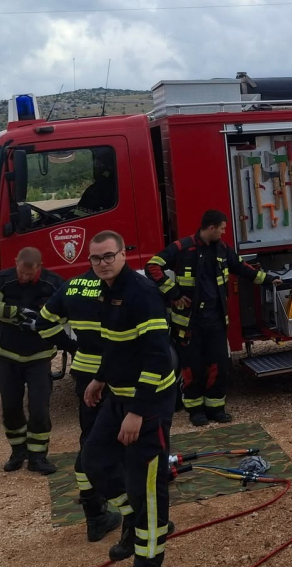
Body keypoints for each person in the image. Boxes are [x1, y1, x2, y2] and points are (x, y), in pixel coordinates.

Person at [81, 231, 178, 566]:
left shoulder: (142, 293)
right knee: (93, 460)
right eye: (96, 258)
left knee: (148, 489)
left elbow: (157, 357)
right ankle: (133, 522)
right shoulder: (106, 292)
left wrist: (138, 412)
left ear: (124, 254)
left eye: (109, 256)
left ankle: (148, 556)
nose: (102, 263)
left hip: (147, 405)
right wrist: (100, 378)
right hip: (117, 399)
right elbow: (116, 344)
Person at [146, 210, 276, 425]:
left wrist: (269, 280)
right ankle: (195, 411)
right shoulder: (182, 248)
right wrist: (173, 293)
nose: (224, 233)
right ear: (211, 227)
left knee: (219, 366)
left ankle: (216, 409)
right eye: (222, 228)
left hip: (215, 320)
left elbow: (242, 268)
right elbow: (152, 266)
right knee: (192, 368)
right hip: (189, 323)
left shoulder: (222, 249)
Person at [39, 267, 123, 542]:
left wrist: (71, 346)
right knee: (121, 440)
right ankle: (130, 509)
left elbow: (44, 322)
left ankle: (95, 515)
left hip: (85, 372)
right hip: (116, 375)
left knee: (89, 440)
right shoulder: (119, 287)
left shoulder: (72, 286)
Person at [0, 247, 70, 475]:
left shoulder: (53, 283)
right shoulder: (3, 279)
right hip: (8, 357)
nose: (23, 278)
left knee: (39, 408)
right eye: (21, 272)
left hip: (38, 358)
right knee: (11, 407)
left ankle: (38, 457)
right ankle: (18, 452)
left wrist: (44, 319)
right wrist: (15, 312)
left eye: (29, 274)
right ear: (15, 262)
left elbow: (68, 310)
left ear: (39, 267)